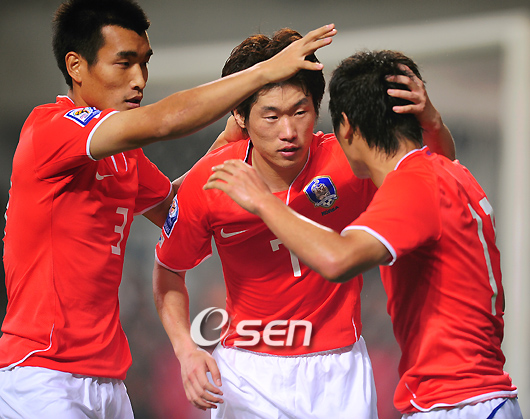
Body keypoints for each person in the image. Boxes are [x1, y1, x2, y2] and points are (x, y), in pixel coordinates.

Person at [0, 0, 337, 416]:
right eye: (124, 63)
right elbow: (164, 121)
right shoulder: (50, 129)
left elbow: (176, 208)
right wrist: (265, 72)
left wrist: (224, 143)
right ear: (76, 66)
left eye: (144, 63)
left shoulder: (123, 155)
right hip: (41, 371)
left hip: (106, 376)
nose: (139, 79)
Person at [204, 50, 522, 419]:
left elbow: (338, 259)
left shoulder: (412, 186)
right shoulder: (448, 172)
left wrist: (263, 201)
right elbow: (442, 157)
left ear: (346, 127)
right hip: (478, 398)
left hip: (457, 404)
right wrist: (433, 122)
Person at [153, 30, 454, 417]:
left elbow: (433, 174)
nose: (289, 132)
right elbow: (169, 270)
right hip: (246, 372)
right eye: (271, 116)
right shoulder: (211, 180)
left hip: (339, 370)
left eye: (300, 112)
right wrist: (186, 350)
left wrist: (433, 123)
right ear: (240, 117)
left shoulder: (347, 162)